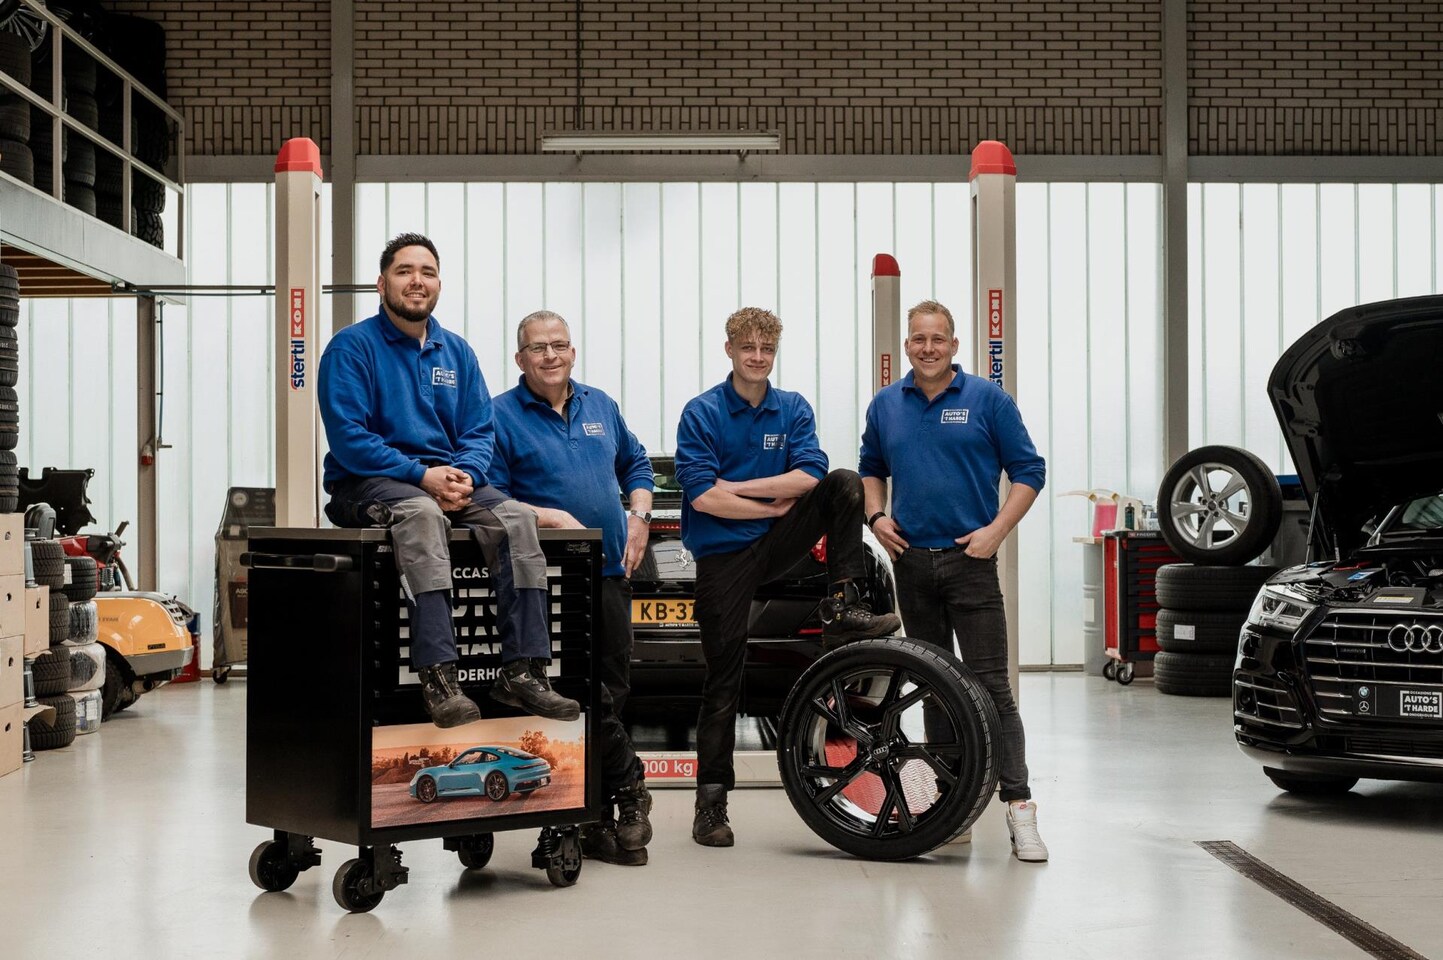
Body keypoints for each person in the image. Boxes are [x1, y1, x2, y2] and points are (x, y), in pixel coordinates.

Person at [317, 233, 579, 728]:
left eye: (428, 272)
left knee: (517, 518)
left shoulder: (456, 352)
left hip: (450, 479)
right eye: (404, 271)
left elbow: (480, 431)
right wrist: (421, 476)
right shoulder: (351, 348)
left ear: (438, 284)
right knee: (420, 514)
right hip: (370, 481)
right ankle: (439, 679)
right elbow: (349, 438)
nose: (417, 281)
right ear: (381, 284)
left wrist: (465, 476)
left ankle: (523, 672)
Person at [675, 306, 902, 848]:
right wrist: (768, 503)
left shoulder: (793, 407)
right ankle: (711, 804)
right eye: (748, 347)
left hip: (776, 542)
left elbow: (811, 475)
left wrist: (741, 489)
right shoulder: (702, 412)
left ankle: (843, 606)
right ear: (729, 349)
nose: (758, 357)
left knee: (845, 483)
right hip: (723, 556)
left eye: (767, 349)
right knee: (722, 681)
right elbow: (702, 496)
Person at [858, 299, 1049, 862]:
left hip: (971, 562)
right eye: (918, 339)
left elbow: (1029, 471)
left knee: (992, 689)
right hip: (913, 564)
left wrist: (996, 531)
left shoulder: (988, 400)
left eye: (937, 339)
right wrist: (877, 518)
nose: (928, 348)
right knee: (934, 688)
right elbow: (871, 469)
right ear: (907, 345)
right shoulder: (886, 405)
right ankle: (950, 809)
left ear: (954, 345)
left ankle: (1020, 809)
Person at [489, 309, 655, 867]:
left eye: (559, 345)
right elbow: (493, 497)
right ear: (520, 358)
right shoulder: (499, 415)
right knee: (580, 695)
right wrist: (549, 518)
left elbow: (636, 464)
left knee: (613, 690)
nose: (550, 355)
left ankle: (595, 817)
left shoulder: (600, 405)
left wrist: (639, 516)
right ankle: (622, 794)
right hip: (546, 582)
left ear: (573, 352)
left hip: (608, 575)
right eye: (538, 348)